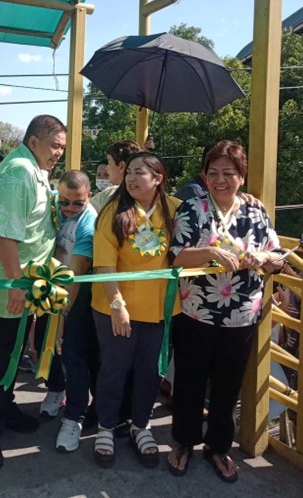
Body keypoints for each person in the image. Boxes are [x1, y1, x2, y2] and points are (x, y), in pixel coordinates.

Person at [167, 140, 285, 483]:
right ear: (204, 176)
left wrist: (262, 258)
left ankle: (218, 448)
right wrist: (209, 253)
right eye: (214, 173)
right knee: (189, 381)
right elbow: (176, 256)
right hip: (196, 313)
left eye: (229, 173)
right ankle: (184, 442)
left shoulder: (255, 211)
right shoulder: (192, 208)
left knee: (227, 385)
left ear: (241, 177)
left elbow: (277, 258)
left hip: (242, 315)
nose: (221, 180)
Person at [0, 114, 67, 471]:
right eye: (54, 145)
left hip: (26, 289)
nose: (59, 152)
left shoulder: (33, 168)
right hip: (7, 293)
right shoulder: (18, 173)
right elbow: (5, 234)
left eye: (62, 146)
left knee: (11, 366)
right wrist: (14, 283)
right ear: (33, 142)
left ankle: (6, 414)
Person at [92, 151, 180, 469]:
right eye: (129, 171)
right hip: (116, 307)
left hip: (158, 309)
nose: (130, 177)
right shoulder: (113, 211)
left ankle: (140, 425)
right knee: (114, 369)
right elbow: (104, 264)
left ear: (158, 178)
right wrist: (117, 306)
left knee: (149, 372)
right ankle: (105, 426)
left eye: (139, 172)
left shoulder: (175, 210)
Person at [53, 170, 98, 453]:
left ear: (88, 197)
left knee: (75, 355)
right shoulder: (59, 214)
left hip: (78, 299)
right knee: (62, 354)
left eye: (77, 203)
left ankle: (75, 416)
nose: (69, 208)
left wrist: (63, 317)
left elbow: (77, 276)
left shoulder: (88, 224)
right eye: (64, 201)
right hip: (58, 291)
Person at [90, 140, 141, 213]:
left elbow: (82, 211)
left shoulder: (110, 194)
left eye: (109, 162)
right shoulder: (148, 193)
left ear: (121, 166)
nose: (107, 167)